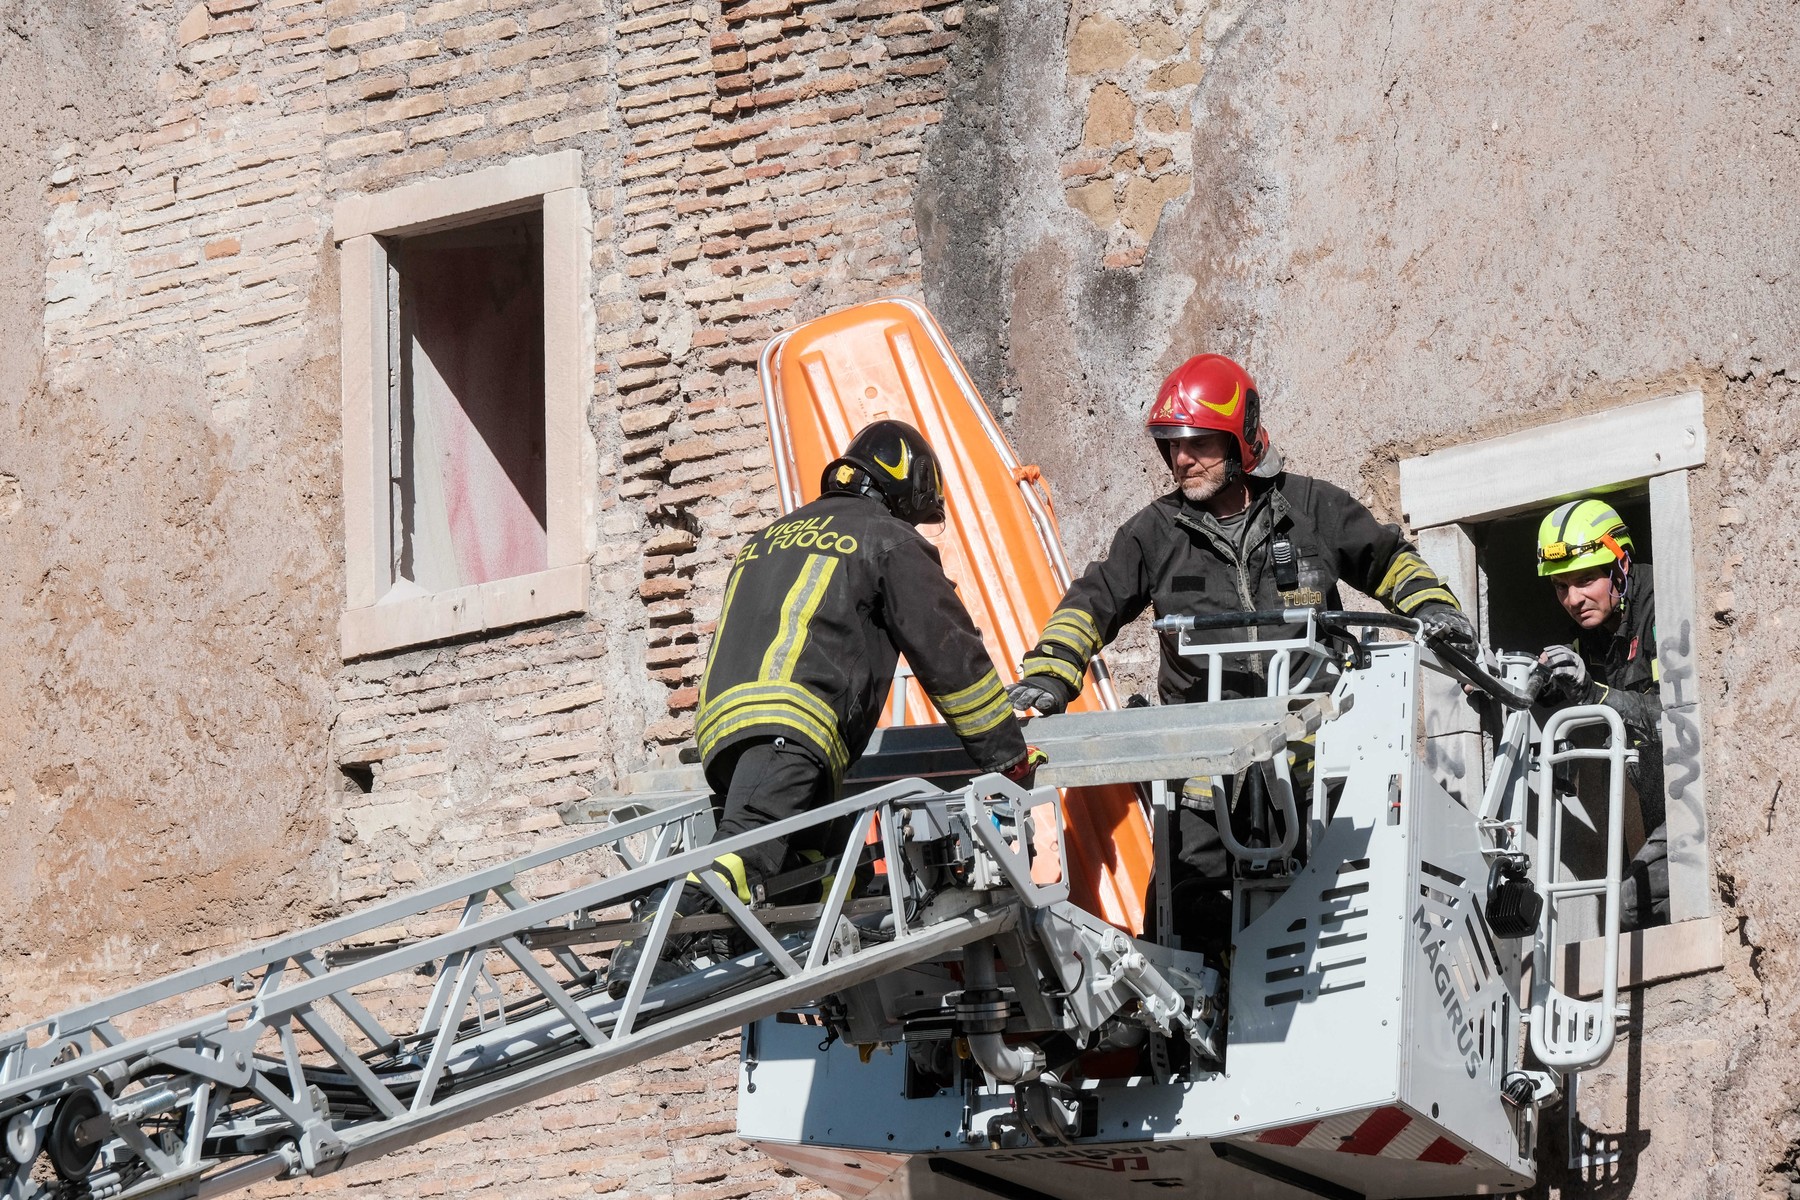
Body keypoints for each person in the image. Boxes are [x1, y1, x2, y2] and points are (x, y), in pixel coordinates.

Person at [1005, 354, 1474, 950]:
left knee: (1337, 926)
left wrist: (1434, 610)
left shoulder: (1312, 509)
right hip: (1204, 787)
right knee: (1187, 931)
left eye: (1198, 442)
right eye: (1172, 445)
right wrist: (1052, 671)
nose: (1182, 458)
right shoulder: (1155, 533)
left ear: (1242, 439)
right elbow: (1092, 601)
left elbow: (1388, 561)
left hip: (1312, 776)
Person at [606, 420, 1042, 997]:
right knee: (750, 846)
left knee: (812, 855)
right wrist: (1006, 756)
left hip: (727, 731)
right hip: (793, 723)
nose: (913, 525)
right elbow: (950, 656)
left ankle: (734, 936)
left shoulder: (769, 537)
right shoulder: (889, 540)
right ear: (905, 489)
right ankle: (653, 942)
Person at [1534, 497, 1667, 931]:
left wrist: (1594, 693)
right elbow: (1555, 688)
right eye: (1560, 586)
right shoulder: (1594, 628)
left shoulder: (1665, 604)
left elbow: (1675, 718)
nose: (1573, 599)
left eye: (1586, 579)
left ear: (1621, 565)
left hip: (1699, 804)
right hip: (1654, 799)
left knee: (1629, 907)